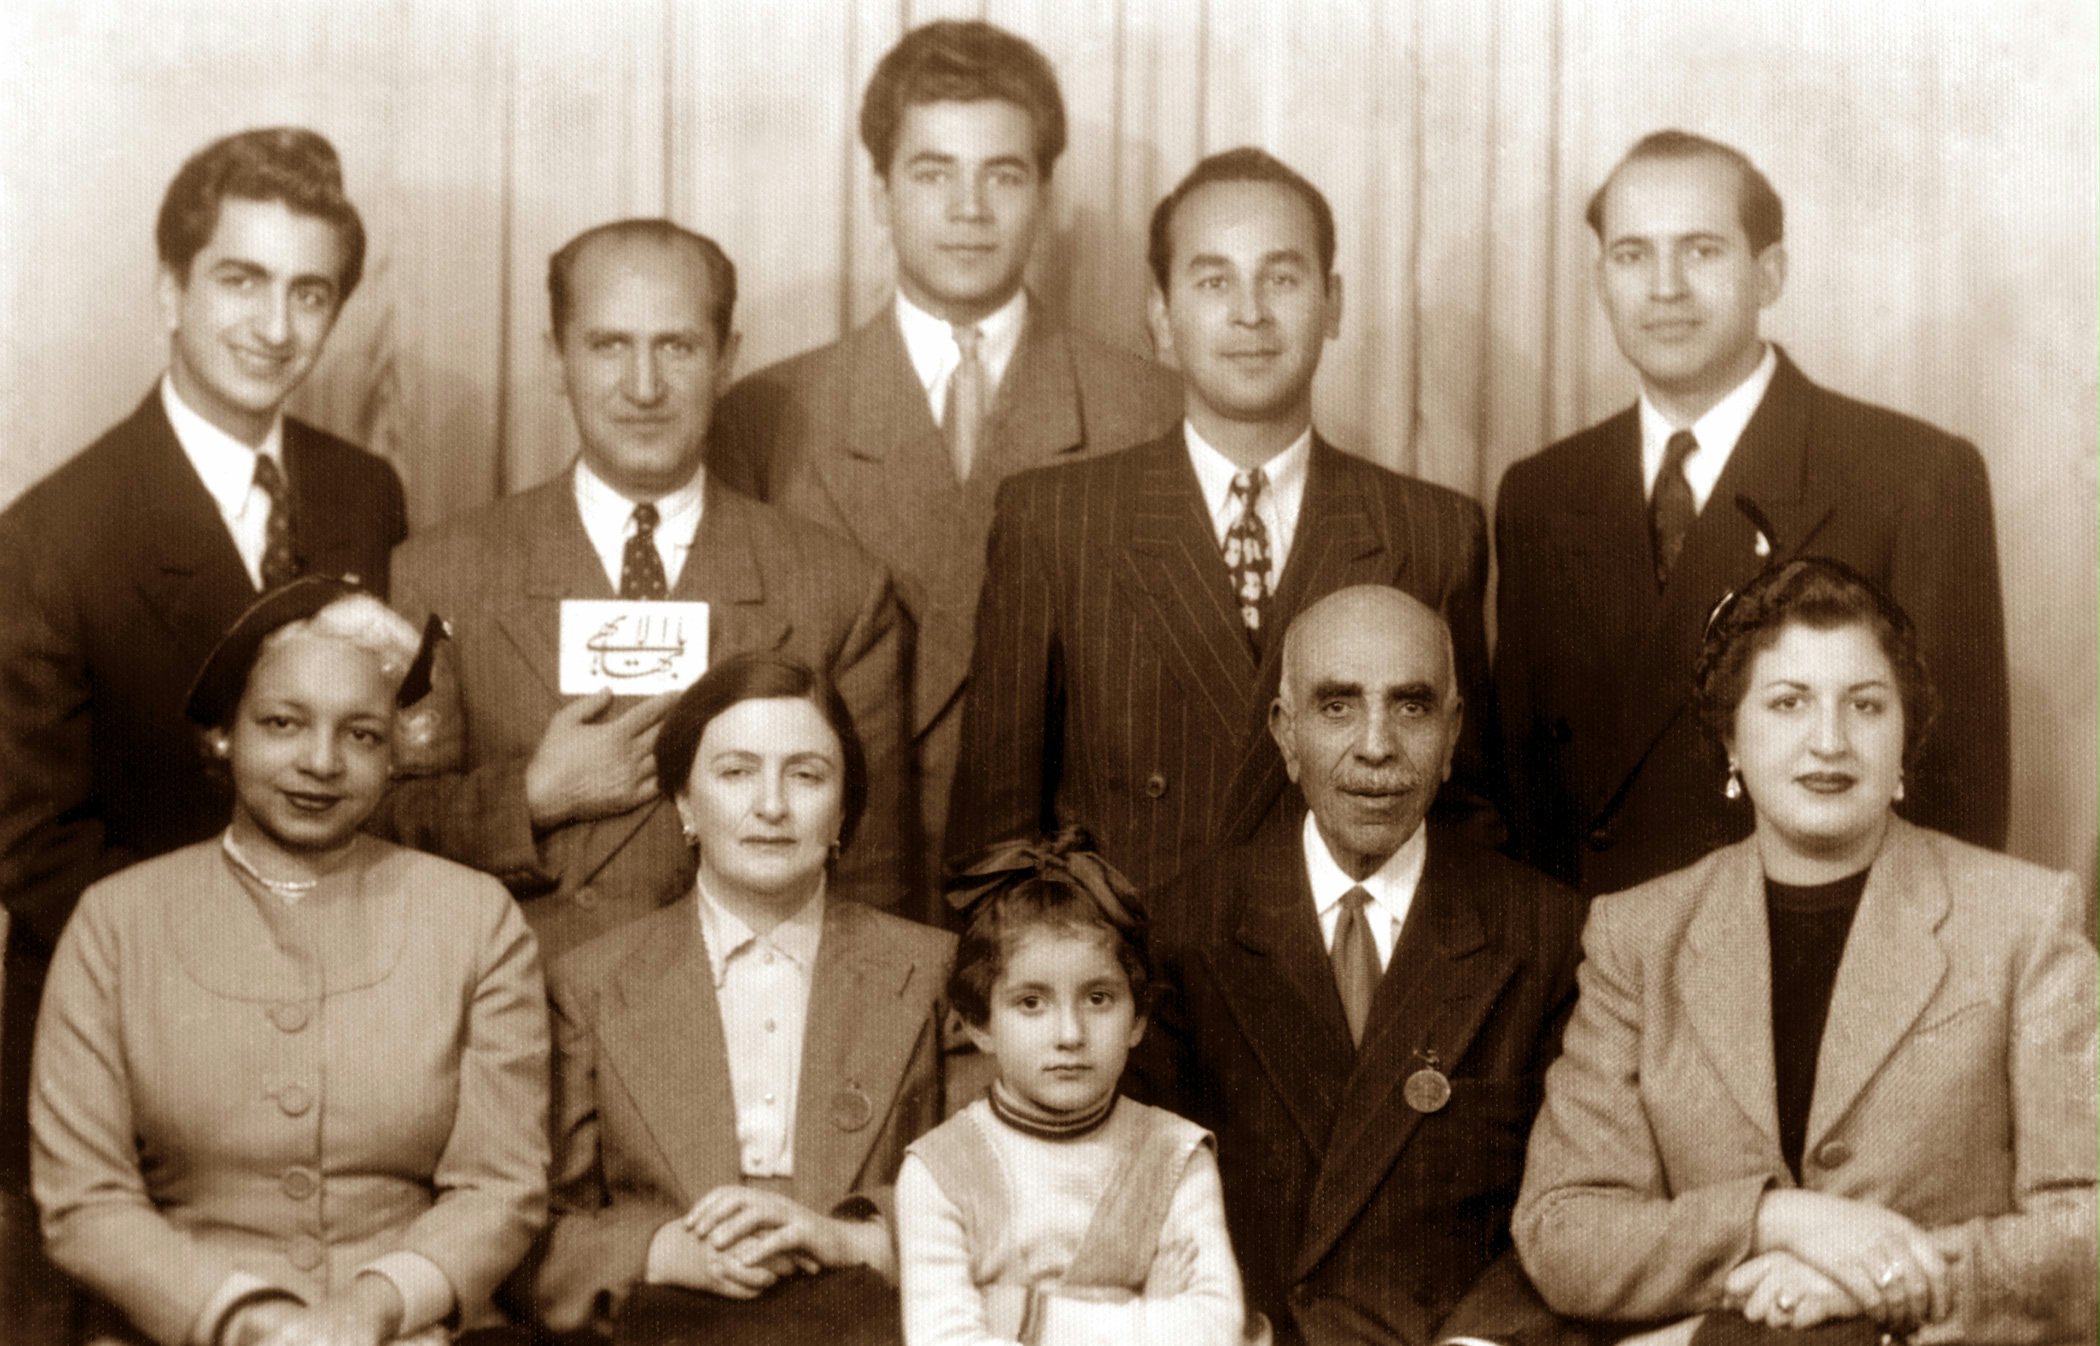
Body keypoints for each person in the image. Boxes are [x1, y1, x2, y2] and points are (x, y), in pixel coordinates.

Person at [0, 126, 407, 1316]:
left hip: (346, 1053)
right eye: (240, 279)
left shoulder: (359, 490)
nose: (274, 325)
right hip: (127, 1060)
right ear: (170, 289)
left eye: (309, 290)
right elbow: (34, 850)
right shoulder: (50, 534)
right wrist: (247, 976)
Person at [1512, 558, 2098, 1345]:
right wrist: (1777, 1219)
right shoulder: (1639, 936)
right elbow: (1564, 1227)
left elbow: (2087, 1223)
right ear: (1730, 739)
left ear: (1905, 743)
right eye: (1788, 703)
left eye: (1865, 705)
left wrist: (1874, 1280)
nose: (1829, 741)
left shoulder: (2024, 918)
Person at [706, 20, 1182, 908]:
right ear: (881, 194)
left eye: (1002, 175)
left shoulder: (1147, 409)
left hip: (1067, 914)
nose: (970, 210)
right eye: (934, 174)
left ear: (1044, 193)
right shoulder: (765, 418)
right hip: (833, 895)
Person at [947, 149, 1495, 898]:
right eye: (1214, 281)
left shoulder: (1432, 532)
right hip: (1128, 993)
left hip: (1344, 993)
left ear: (1332, 303)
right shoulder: (1055, 520)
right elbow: (993, 850)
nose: (1250, 313)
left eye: (1282, 278)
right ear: (1161, 314)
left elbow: (1468, 826)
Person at [371, 220, 912, 959]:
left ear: (726, 359)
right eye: (609, 345)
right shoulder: (441, 575)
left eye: (677, 347)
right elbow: (378, 824)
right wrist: (530, 797)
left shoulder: (837, 590)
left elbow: (871, 885)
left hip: (743, 1026)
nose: (645, 387)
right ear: (556, 359)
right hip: (521, 1015)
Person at [30, 579, 549, 1346]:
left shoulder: (477, 919)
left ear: (395, 757)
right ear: (224, 737)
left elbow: (500, 1188)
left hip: (407, 1331)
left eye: (362, 735)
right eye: (282, 723)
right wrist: (253, 1323)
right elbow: (84, 1201)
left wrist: (368, 1312)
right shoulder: (117, 923)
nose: (321, 761)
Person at [1494, 129, 2009, 895]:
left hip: (1814, 959)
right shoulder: (1541, 492)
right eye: (1633, 255)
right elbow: (1520, 787)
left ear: (1770, 274)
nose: (1664, 288)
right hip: (1594, 969)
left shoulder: (1915, 477)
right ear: (1602, 281)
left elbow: (1955, 799)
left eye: (1701, 251)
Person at [1134, 585, 1586, 1346]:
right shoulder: (1179, 933)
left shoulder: (1549, 935)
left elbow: (1574, 1205)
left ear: (1453, 735)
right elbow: (1143, 1206)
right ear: (1285, 733)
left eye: (1410, 707)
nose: (1376, 745)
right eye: (1338, 706)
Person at [523, 651, 953, 1343]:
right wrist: (662, 1251)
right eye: (736, 772)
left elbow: (1005, 1190)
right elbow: (535, 1229)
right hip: (663, 1325)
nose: (772, 806)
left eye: (807, 775)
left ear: (843, 810)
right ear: (685, 802)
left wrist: (849, 1240)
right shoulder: (589, 987)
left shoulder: (933, 974)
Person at [896, 832, 1255, 1345]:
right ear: (979, 1023)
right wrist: (1142, 1314)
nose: (1069, 1034)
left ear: (1138, 1019)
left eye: (1099, 998)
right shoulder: (937, 1172)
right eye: (1032, 1003)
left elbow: (1214, 1332)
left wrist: (1019, 1315)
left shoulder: (1177, 1155)